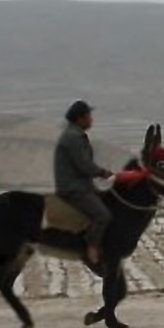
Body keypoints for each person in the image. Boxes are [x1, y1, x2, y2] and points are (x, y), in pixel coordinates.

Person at [54, 100, 113, 266]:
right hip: (74, 189)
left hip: (82, 186)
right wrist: (102, 172)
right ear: (80, 118)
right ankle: (92, 247)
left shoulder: (75, 135)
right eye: (89, 116)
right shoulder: (73, 137)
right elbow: (84, 165)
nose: (91, 120)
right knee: (103, 216)